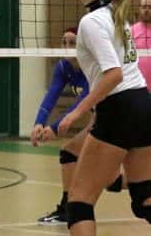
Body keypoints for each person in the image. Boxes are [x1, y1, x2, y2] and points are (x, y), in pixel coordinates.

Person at [59, 0, 151, 236]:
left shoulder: (92, 21)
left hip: (119, 106)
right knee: (145, 199)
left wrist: (76, 112)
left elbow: (113, 75)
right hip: (143, 104)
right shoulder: (115, 16)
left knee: (79, 203)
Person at [31, 28, 122, 225]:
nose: (67, 47)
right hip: (100, 116)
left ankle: (66, 210)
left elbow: (82, 101)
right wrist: (39, 122)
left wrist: (54, 128)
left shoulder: (91, 66)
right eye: (64, 43)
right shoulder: (63, 67)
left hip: (115, 115)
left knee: (69, 152)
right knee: (112, 182)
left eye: (72, 43)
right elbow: (52, 95)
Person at [131, 0, 151, 87]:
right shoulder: (131, 31)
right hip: (137, 87)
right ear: (139, 9)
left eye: (150, 7)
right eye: (144, 7)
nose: (146, 10)